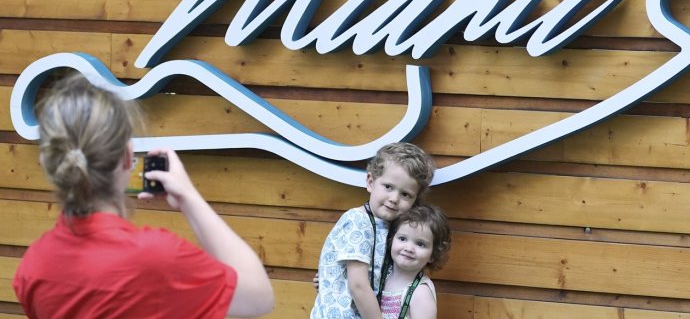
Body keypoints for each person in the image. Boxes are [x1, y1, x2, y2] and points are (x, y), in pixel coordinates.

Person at [12, 73, 274, 319]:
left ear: (50, 164)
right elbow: (258, 297)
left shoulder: (33, 267)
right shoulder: (157, 257)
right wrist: (190, 198)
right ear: (128, 157)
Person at [311, 142, 435, 319]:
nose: (394, 198)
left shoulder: (393, 228)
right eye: (388, 187)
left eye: (405, 194)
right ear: (370, 182)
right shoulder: (358, 221)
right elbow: (358, 285)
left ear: (415, 201)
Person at [379, 205, 451, 319]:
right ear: (392, 240)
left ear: (433, 255)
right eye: (402, 239)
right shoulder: (382, 274)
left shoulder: (421, 293)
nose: (408, 248)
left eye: (420, 244)